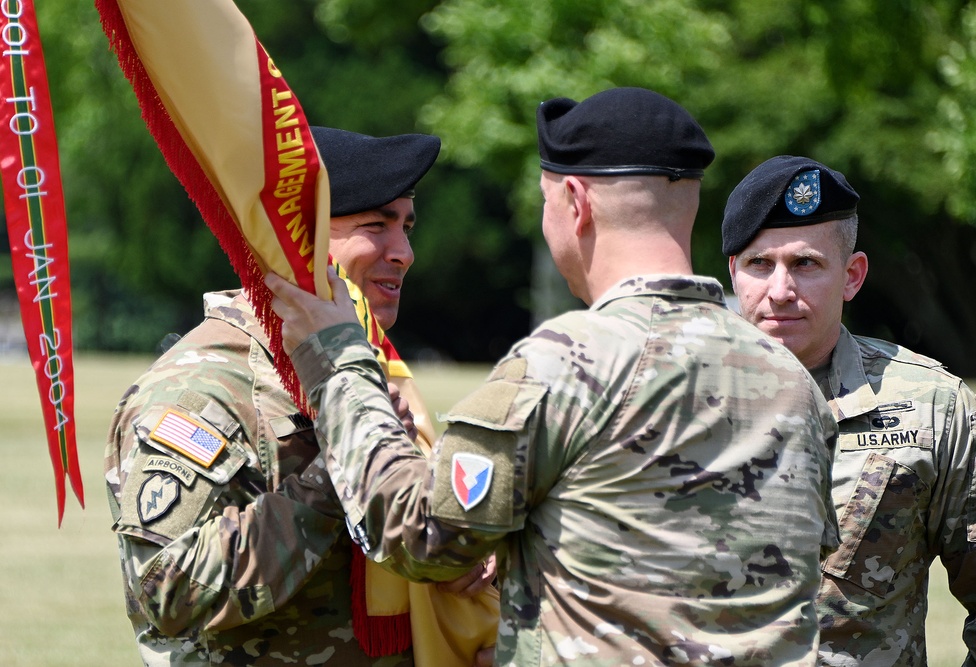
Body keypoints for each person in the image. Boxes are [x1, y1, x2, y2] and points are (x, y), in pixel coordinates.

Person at [266, 87, 841, 665]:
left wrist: (338, 357)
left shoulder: (564, 363)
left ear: (575, 202)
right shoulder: (792, 378)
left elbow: (417, 536)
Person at [105, 126, 499, 666]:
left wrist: (464, 544)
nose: (404, 252)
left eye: (407, 227)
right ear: (297, 238)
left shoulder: (364, 362)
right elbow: (168, 594)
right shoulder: (202, 388)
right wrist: (341, 471)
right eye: (375, 225)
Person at [723, 154, 976, 665]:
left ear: (852, 275)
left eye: (805, 264)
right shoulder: (675, 401)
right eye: (760, 264)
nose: (780, 291)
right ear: (734, 273)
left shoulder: (933, 407)